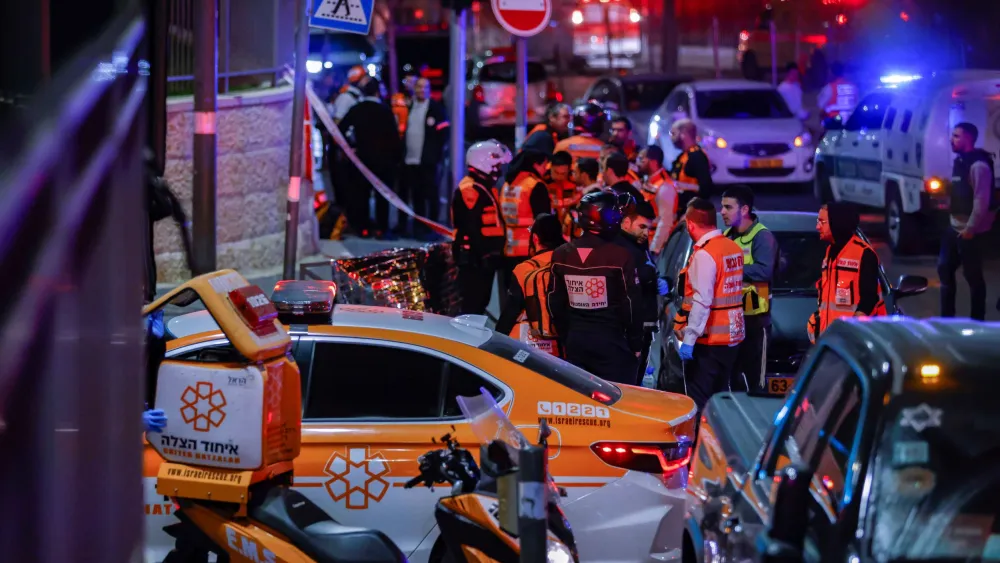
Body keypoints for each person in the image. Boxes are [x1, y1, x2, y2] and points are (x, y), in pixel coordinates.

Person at [550, 191, 643, 385]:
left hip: (575, 341)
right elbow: (631, 303)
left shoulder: (561, 254)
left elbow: (555, 301)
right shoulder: (620, 256)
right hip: (611, 342)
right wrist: (635, 341)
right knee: (617, 402)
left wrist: (566, 335)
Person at [672, 197, 746, 411]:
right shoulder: (732, 248)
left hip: (709, 341)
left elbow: (702, 301)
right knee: (720, 401)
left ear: (690, 224)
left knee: (699, 402)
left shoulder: (705, 254)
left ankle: (698, 443)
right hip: (731, 338)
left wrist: (690, 339)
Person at [721, 186, 779, 392]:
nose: (722, 212)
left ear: (744, 210)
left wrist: (731, 267)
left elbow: (764, 271)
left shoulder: (761, 237)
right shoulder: (727, 236)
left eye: (728, 207)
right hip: (733, 319)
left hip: (755, 320)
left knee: (757, 382)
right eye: (722, 207)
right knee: (732, 380)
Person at [940, 122, 997, 321]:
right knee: (944, 269)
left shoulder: (979, 166)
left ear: (968, 139)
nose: (951, 139)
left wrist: (970, 229)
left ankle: (977, 321)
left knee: (973, 277)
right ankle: (946, 320)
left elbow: (981, 201)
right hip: (954, 226)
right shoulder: (960, 161)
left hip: (970, 231)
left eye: (956, 136)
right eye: (952, 135)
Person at [807, 202, 886, 343]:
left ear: (837, 222)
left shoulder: (864, 253)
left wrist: (851, 334)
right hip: (831, 340)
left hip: (853, 342)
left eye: (822, 222)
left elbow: (869, 300)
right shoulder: (829, 253)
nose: (817, 227)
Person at [451, 140, 512, 314]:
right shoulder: (470, 189)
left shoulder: (483, 188)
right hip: (473, 259)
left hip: (483, 258)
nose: (499, 171)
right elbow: (471, 226)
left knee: (480, 303)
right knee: (472, 306)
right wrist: (483, 254)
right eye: (497, 165)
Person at [338, 78, 402, 238]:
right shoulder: (385, 111)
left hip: (361, 160)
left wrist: (350, 147)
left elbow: (340, 130)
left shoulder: (356, 109)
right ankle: (381, 228)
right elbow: (394, 138)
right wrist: (396, 159)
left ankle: (363, 227)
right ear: (377, 92)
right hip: (384, 161)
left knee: (362, 195)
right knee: (383, 196)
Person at [495, 214, 566, 356]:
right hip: (563, 346)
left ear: (535, 238)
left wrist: (495, 341)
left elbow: (510, 314)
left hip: (531, 347)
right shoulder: (569, 263)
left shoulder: (523, 270)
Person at [614, 201, 663, 377]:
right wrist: (648, 275)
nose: (646, 233)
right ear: (626, 222)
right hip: (630, 329)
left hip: (642, 326)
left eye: (649, 228)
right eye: (642, 226)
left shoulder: (638, 243)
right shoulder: (619, 247)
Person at [401, 77, 450, 240]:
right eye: (419, 87)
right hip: (411, 160)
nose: (421, 90)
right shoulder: (409, 107)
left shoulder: (436, 108)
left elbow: (444, 134)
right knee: (417, 195)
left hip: (428, 161)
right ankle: (418, 226)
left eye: (424, 87)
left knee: (431, 194)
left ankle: (433, 226)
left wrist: (434, 155)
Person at [500, 150, 552, 278]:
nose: (545, 170)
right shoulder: (534, 185)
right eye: (544, 165)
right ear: (535, 165)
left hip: (508, 249)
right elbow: (543, 221)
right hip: (529, 251)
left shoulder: (507, 185)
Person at [638, 145, 677, 254]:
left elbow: (665, 221)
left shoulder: (665, 187)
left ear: (653, 162)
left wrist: (655, 248)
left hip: (653, 244)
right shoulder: (648, 181)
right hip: (644, 239)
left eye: (641, 159)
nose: (638, 162)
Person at [668, 119, 713, 209]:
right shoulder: (682, 156)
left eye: (673, 134)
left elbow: (706, 188)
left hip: (692, 211)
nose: (671, 138)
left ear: (683, 134)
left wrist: (684, 186)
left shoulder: (697, 156)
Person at [546, 151, 579, 234]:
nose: (559, 177)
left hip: (569, 226)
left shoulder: (576, 181)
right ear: (551, 167)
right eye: (556, 172)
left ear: (569, 170)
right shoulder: (543, 180)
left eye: (563, 174)